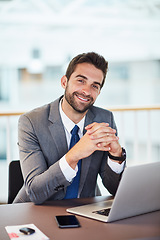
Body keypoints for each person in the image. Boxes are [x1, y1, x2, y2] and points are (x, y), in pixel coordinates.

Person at [14, 52, 126, 204]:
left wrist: (116, 156)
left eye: (95, 86)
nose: (86, 91)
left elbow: (115, 189)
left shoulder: (105, 120)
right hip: (35, 210)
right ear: (64, 82)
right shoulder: (30, 122)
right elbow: (35, 192)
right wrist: (74, 155)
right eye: (81, 81)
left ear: (99, 92)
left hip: (85, 209)